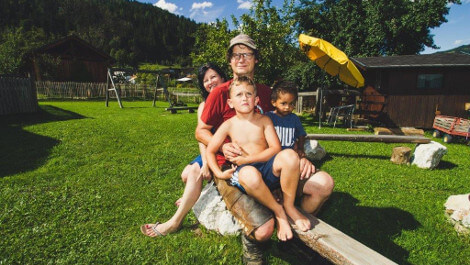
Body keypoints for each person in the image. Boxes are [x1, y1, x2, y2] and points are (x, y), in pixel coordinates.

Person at [196, 33, 334, 264]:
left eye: (247, 53)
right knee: (262, 229)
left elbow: (284, 129)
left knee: (323, 185)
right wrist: (222, 145)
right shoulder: (221, 93)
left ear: (256, 59)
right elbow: (201, 131)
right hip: (234, 167)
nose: (240, 59)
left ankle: (292, 235)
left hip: (270, 163)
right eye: (235, 54)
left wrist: (299, 154)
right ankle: (255, 250)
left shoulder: (267, 92)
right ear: (229, 61)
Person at [206, 76, 311, 242]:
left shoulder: (264, 120)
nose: (244, 98)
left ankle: (289, 206)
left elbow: (276, 148)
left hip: (267, 168)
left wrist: (248, 159)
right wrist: (218, 173)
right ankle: (279, 211)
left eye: (248, 94)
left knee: (290, 155)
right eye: (239, 94)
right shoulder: (228, 125)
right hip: (246, 175)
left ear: (256, 100)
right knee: (249, 174)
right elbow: (210, 150)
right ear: (230, 102)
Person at [140, 63, 227, 237]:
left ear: (223, 78)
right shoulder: (204, 105)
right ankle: (194, 196)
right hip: (211, 149)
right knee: (186, 174)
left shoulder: (231, 100)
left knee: (193, 172)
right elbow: (202, 138)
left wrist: (204, 165)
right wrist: (206, 164)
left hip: (224, 151)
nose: (210, 82)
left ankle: (174, 222)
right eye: (206, 80)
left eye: (213, 77)